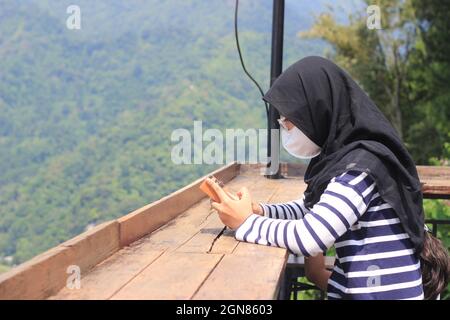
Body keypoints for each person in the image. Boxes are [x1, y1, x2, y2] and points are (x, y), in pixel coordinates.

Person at [206, 56, 449, 300]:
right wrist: (260, 210)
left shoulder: (359, 169)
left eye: (288, 122)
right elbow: (310, 209)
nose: (284, 129)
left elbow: (311, 237)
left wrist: (245, 222)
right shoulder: (349, 159)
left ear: (317, 112)